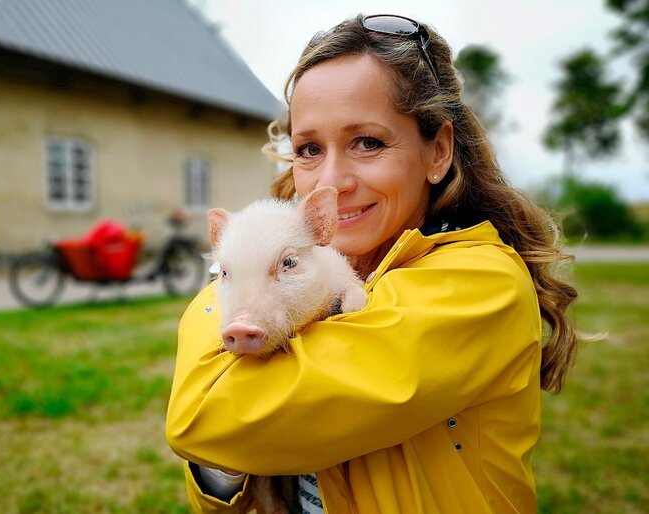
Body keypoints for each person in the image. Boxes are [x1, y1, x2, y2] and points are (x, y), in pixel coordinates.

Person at [166, 13, 578, 513]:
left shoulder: (479, 284)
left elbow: (202, 419)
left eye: (368, 142)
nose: (333, 180)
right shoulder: (309, 270)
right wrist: (227, 465)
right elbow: (218, 490)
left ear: (438, 152)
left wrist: (233, 278)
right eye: (309, 148)